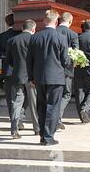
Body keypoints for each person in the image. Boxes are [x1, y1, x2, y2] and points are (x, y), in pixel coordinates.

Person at [27, 10, 69, 146]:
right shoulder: (61, 37)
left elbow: (29, 60)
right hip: (56, 78)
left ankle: (42, 136)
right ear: (56, 21)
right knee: (53, 107)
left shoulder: (35, 37)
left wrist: (31, 77)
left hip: (39, 78)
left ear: (44, 21)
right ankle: (48, 137)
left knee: (42, 107)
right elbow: (65, 60)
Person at [5, 20, 38, 139]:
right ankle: (37, 129)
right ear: (33, 29)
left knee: (16, 103)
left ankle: (14, 129)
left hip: (17, 75)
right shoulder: (35, 39)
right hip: (32, 76)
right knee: (34, 103)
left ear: (22, 28)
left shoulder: (12, 40)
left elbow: (8, 60)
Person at [0, 13, 22, 127]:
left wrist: (6, 57)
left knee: (10, 97)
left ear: (6, 23)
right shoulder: (21, 35)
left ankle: (14, 119)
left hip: (8, 70)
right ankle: (20, 117)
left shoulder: (1, 36)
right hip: (21, 69)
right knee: (23, 96)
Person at [56, 12, 79, 130]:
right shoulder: (73, 34)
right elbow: (76, 54)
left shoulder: (53, 32)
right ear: (70, 21)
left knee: (53, 94)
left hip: (53, 68)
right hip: (67, 69)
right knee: (66, 93)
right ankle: (57, 117)